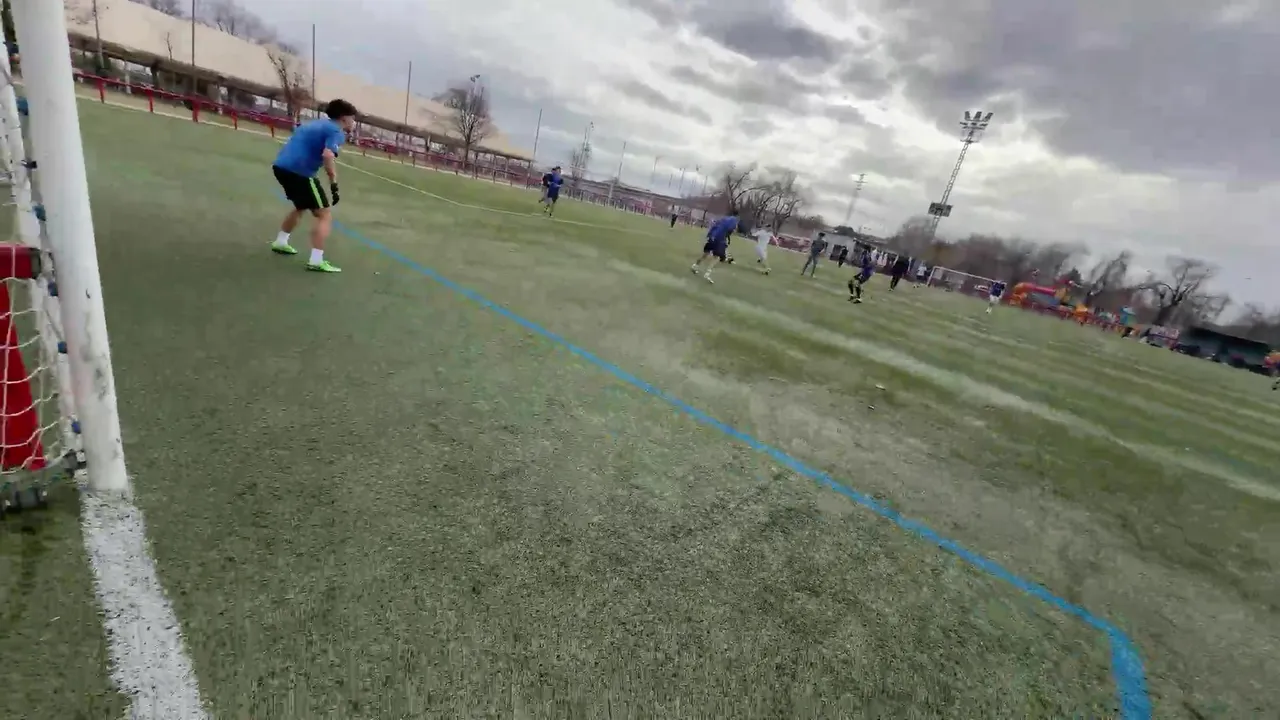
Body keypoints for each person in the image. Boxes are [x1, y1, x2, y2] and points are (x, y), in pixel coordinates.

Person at [269, 98, 358, 273]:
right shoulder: (336, 131)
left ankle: (281, 242)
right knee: (324, 214)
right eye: (352, 119)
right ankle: (316, 260)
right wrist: (333, 182)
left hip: (281, 167)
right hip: (300, 172)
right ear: (344, 118)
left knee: (301, 205)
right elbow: (327, 155)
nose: (354, 123)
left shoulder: (315, 124)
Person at [690, 209, 739, 283]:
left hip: (712, 236)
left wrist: (710, 235)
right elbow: (731, 230)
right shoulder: (734, 221)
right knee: (716, 257)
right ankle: (707, 273)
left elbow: (714, 226)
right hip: (719, 239)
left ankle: (695, 266)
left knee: (706, 253)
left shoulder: (723, 219)